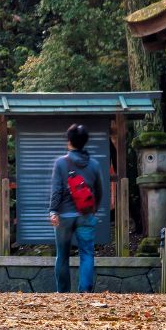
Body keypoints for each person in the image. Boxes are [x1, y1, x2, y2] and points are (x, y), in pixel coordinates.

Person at [49, 124, 105, 293]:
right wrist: (93, 209)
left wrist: (53, 211)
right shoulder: (94, 165)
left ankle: (63, 292)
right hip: (85, 214)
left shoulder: (61, 163)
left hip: (64, 216)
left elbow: (57, 190)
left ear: (69, 142)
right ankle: (85, 291)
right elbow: (100, 190)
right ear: (85, 142)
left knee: (62, 256)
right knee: (87, 254)